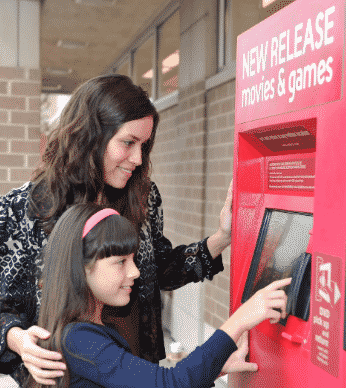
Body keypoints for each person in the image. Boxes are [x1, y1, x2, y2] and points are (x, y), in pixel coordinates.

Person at [0, 74, 239, 386]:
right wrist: (16, 339)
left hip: (137, 369)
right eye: (128, 143)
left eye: (144, 145)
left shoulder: (143, 196)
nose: (138, 159)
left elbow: (158, 271)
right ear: (90, 136)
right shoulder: (20, 210)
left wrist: (223, 237)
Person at [24, 204, 290, 388]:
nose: (135, 272)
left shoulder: (88, 331)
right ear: (80, 267)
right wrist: (240, 320)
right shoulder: (79, 339)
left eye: (133, 259)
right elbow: (169, 384)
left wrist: (217, 366)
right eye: (120, 262)